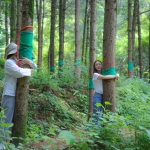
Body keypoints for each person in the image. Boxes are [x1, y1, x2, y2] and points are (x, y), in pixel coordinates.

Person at [0, 42, 34, 149]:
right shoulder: (9, 63)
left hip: (13, 95)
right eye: (17, 50)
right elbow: (19, 72)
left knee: (10, 121)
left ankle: (6, 144)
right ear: (14, 52)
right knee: (6, 121)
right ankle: (1, 145)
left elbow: (33, 67)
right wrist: (31, 69)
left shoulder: (16, 61)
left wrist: (30, 62)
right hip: (9, 95)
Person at [92, 60, 119, 125]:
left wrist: (117, 74)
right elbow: (105, 77)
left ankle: (98, 132)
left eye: (99, 64)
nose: (98, 66)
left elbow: (109, 75)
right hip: (97, 96)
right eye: (96, 65)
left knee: (101, 115)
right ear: (94, 67)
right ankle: (92, 132)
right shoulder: (95, 74)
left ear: (102, 65)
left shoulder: (103, 73)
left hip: (103, 96)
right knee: (96, 115)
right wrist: (115, 76)